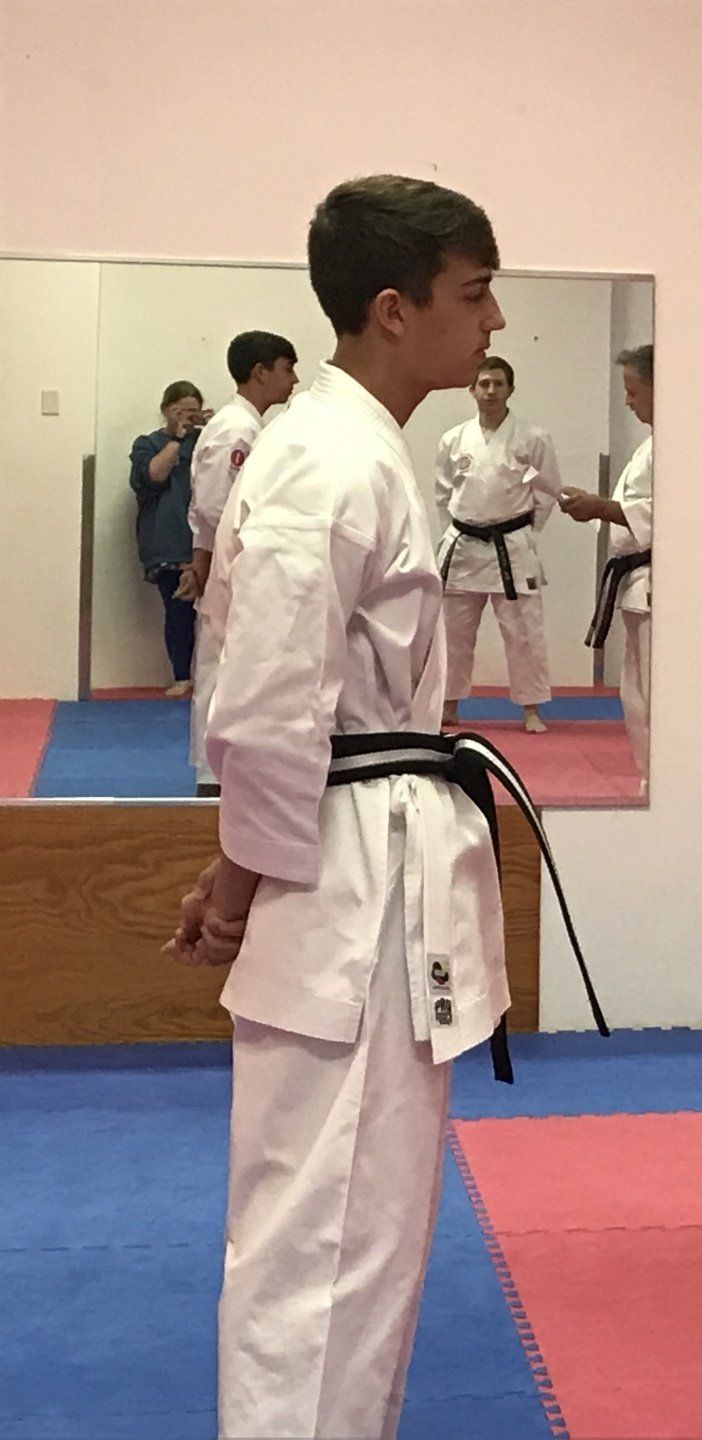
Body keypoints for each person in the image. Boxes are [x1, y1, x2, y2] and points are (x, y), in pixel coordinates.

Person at [163, 174, 513, 1440]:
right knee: (325, 1243)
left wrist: (238, 878)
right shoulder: (326, 456)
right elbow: (268, 707)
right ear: (393, 307)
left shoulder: (353, 444)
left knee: (353, 1238)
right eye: (473, 293)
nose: (493, 321)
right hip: (345, 874)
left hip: (354, 853)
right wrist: (236, 885)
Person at [183, 331, 300, 793]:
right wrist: (212, 561)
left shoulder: (246, 426)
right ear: (260, 372)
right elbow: (215, 507)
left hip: (231, 562)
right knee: (224, 670)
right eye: (287, 369)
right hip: (234, 565)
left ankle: (226, 772)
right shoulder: (237, 430)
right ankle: (214, 777)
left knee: (235, 669)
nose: (294, 380)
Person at [434, 355, 560, 734]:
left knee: (524, 633)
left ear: (510, 389)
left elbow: (545, 489)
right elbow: (443, 492)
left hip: (512, 545)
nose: (490, 391)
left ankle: (531, 709)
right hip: (464, 545)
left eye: (498, 384)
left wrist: (526, 531)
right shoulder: (454, 440)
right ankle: (448, 704)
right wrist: (452, 533)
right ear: (471, 390)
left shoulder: (530, 440)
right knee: (453, 633)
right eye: (484, 384)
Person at [560, 343, 652, 790]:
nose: (628, 401)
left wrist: (600, 507)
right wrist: (597, 507)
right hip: (637, 583)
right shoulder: (652, 445)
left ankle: (664, 784)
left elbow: (670, 513)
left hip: (660, 585)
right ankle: (651, 779)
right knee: (636, 696)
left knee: (656, 695)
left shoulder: (684, 445)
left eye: (633, 391)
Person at [129, 380, 205, 697]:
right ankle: (182, 675)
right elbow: (153, 475)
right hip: (168, 541)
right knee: (177, 611)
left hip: (205, 539)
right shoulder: (148, 444)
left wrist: (213, 429)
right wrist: (177, 437)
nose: (187, 417)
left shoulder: (207, 441)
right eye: (180, 411)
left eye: (193, 411)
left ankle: (211, 678)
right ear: (165, 410)